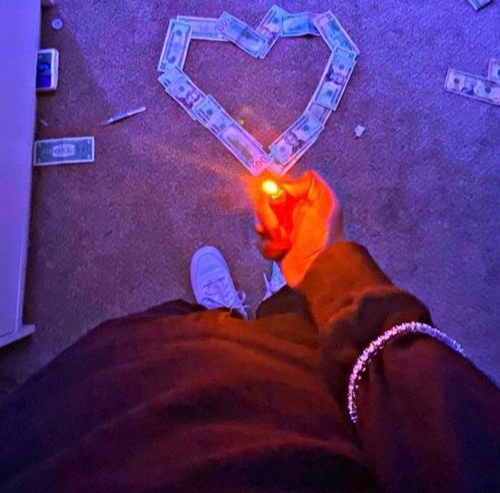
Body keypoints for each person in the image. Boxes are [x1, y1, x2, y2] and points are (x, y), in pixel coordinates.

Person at [0, 171, 499, 492]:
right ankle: (269, 311)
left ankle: (226, 318)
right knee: (293, 329)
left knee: (201, 337)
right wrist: (328, 267)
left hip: (78, 425)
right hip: (288, 401)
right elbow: (437, 420)